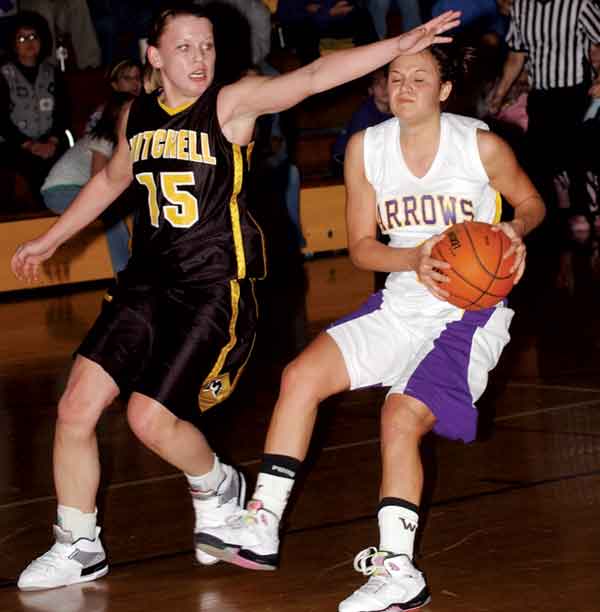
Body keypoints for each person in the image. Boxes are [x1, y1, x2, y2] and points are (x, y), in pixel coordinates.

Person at [11, 3, 461, 591]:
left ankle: (217, 483)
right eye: (185, 47)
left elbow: (313, 79)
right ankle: (77, 542)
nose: (200, 58)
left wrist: (401, 43)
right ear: (155, 56)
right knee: (74, 408)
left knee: (149, 419)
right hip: (145, 283)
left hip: (212, 286)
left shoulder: (230, 104)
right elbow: (110, 180)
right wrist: (49, 239)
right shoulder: (135, 116)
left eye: (208, 46)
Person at [195, 43, 546, 611]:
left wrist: (515, 230)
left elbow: (531, 201)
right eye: (395, 77)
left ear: (445, 90)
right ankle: (262, 522)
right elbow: (361, 248)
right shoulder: (366, 148)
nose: (403, 87)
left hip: (468, 314)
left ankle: (399, 571)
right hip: (402, 300)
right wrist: (412, 260)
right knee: (300, 377)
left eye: (418, 78)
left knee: (400, 415)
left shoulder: (479, 145)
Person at [488, 0, 600, 232]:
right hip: (539, 93)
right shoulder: (521, 7)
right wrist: (499, 94)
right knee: (537, 159)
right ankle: (545, 221)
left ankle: (583, 212)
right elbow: (516, 56)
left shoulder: (580, 4)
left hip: (576, 91)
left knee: (574, 152)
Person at [42, 91, 134, 274]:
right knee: (111, 219)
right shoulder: (104, 139)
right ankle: (125, 277)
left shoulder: (121, 142)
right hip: (59, 192)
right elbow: (98, 178)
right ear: (117, 115)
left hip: (71, 190)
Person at [0, 10, 69, 205]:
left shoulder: (52, 72)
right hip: (15, 144)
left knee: (63, 162)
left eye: (33, 37)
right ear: (13, 44)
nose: (28, 42)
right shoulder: (4, 74)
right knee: (32, 166)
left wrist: (52, 141)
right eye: (22, 38)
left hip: (50, 140)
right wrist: (30, 145)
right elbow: (1, 120)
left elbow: (63, 112)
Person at [332, 67, 392, 167]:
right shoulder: (364, 114)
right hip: (344, 159)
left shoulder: (399, 108)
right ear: (370, 90)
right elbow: (359, 152)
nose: (384, 88)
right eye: (378, 84)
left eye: (386, 83)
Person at [84, 59, 143, 133]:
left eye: (138, 77)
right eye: (127, 78)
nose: (135, 82)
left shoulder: (148, 107)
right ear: (114, 85)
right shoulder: (101, 113)